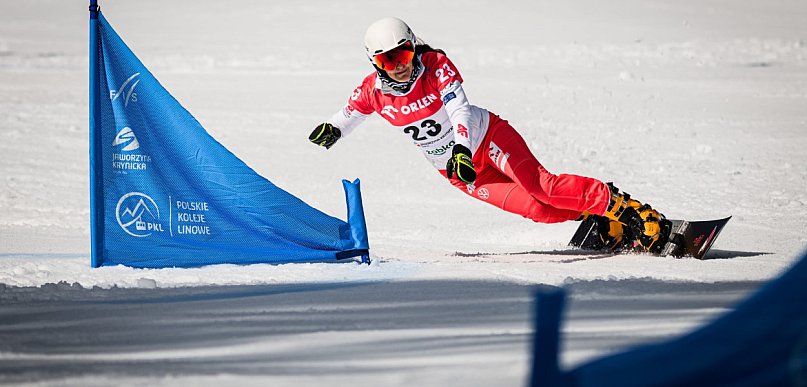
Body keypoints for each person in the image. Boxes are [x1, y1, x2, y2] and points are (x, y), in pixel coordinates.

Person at [309, 17, 671, 252]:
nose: (401, 66)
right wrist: (334, 129)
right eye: (389, 61)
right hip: (458, 172)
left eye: (403, 53)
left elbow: (459, 109)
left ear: (413, 46)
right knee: (539, 209)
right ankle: (599, 217)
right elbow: (351, 111)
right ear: (375, 63)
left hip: (486, 140)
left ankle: (629, 209)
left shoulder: (435, 66)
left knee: (542, 186)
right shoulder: (374, 90)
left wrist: (462, 148)